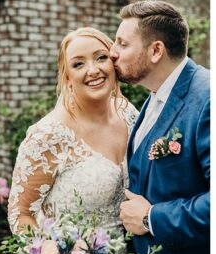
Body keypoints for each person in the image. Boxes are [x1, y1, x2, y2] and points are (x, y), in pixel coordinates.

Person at [111, 1, 210, 254]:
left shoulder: (207, 99)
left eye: (122, 44)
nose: (112, 52)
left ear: (156, 50)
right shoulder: (153, 98)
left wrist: (150, 218)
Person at [8, 27, 137, 241]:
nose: (93, 70)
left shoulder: (128, 113)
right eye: (79, 64)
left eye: (101, 58)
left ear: (113, 63)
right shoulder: (48, 135)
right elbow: (20, 215)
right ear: (67, 77)